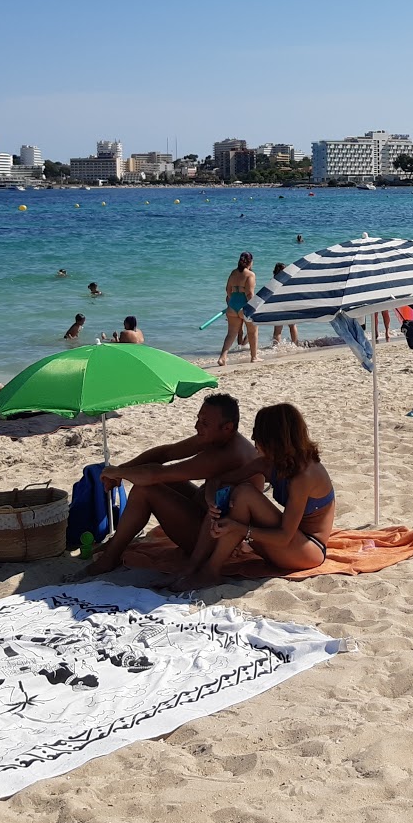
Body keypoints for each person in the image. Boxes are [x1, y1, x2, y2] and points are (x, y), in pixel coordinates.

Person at [83, 393, 257, 575]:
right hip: (207, 516)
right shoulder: (219, 436)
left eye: (205, 423)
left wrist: (118, 473)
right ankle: (116, 542)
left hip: (215, 541)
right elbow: (166, 454)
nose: (197, 426)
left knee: (145, 489)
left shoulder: (230, 454)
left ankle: (110, 558)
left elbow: (159, 474)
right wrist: (121, 470)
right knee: (161, 479)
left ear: (227, 427)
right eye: (198, 419)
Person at [174, 402, 336, 588]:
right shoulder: (268, 463)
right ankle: (192, 567)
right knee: (231, 495)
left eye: (257, 434)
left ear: (274, 440)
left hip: (308, 550)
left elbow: (284, 537)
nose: (252, 438)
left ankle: (210, 571)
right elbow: (219, 480)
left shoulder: (304, 476)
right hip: (289, 541)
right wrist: (212, 499)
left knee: (245, 494)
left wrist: (237, 528)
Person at [218, 252, 258, 366]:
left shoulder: (233, 273)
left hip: (232, 305)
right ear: (250, 262)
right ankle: (254, 357)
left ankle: (222, 357)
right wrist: (253, 307)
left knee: (231, 334)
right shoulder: (250, 275)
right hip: (244, 306)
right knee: (253, 331)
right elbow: (249, 294)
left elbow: (228, 290)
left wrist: (232, 302)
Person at [268, 263, 300, 347]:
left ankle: (275, 347)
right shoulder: (289, 280)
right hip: (289, 304)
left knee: (278, 328)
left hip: (278, 306)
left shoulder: (273, 281)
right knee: (292, 326)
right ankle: (295, 344)